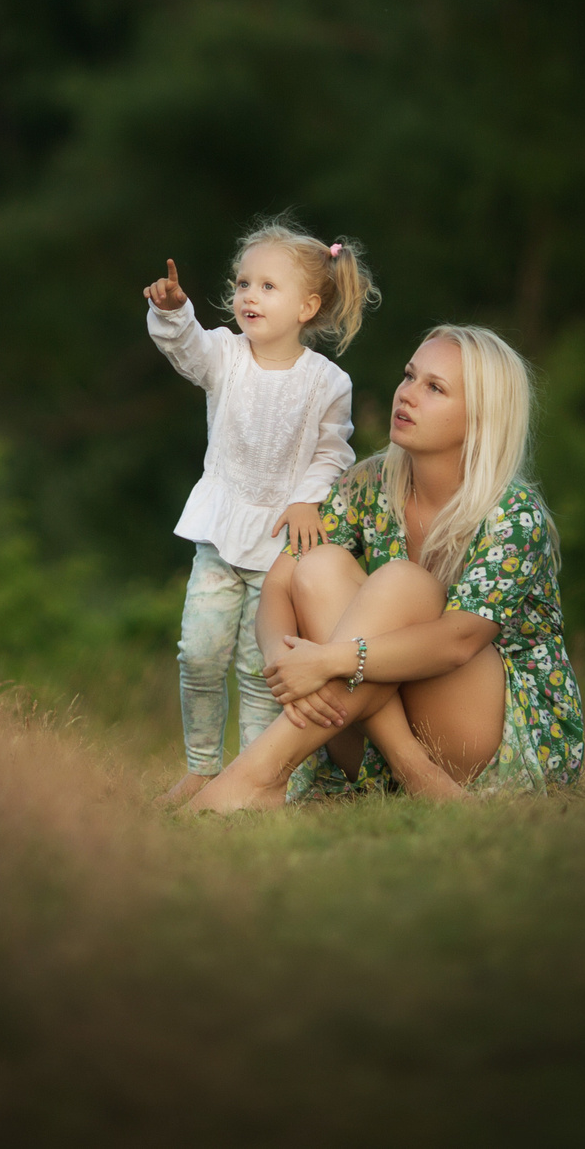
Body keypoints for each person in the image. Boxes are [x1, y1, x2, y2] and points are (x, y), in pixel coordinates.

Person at [186, 324, 583, 812]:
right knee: (318, 566)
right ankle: (410, 769)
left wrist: (328, 662)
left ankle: (260, 774)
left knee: (401, 582)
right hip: (372, 731)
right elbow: (280, 582)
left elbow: (458, 641)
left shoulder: (512, 514)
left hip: (490, 737)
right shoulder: (369, 483)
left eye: (435, 388)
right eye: (409, 376)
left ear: (481, 417)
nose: (407, 394)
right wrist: (283, 661)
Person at [145, 220, 378, 806]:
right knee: (199, 653)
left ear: (307, 306)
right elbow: (187, 349)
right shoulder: (226, 355)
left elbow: (333, 451)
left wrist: (306, 499)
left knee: (259, 669)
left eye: (268, 286)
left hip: (279, 544)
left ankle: (257, 779)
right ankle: (202, 767)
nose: (249, 295)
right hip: (220, 533)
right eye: (243, 283)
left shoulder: (328, 381)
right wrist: (174, 313)